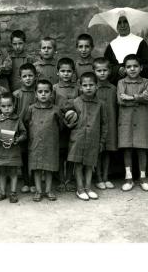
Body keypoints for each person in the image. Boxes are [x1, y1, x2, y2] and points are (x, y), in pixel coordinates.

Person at [103, 15, 148, 173]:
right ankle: (121, 170)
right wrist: (117, 70)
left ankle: (143, 169)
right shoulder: (112, 45)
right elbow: (105, 67)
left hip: (139, 90)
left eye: (125, 22)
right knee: (123, 132)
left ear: (131, 24)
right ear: (115, 25)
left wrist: (135, 72)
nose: (122, 25)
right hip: (121, 92)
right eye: (119, 22)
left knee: (141, 133)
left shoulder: (140, 42)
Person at [117, 54, 148, 192]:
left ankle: (143, 178)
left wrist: (132, 97)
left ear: (141, 68)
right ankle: (129, 178)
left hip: (141, 119)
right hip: (126, 120)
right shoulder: (121, 83)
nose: (132, 69)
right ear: (124, 69)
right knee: (127, 148)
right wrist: (140, 99)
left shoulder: (146, 82)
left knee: (141, 148)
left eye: (135, 66)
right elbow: (121, 100)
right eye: (128, 66)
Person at [67, 72, 107, 201]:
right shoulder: (75, 102)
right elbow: (66, 118)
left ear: (96, 86)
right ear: (80, 87)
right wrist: (69, 122)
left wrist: (101, 142)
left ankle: (88, 187)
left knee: (90, 164)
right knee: (78, 164)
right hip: (78, 138)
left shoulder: (101, 104)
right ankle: (80, 189)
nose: (88, 87)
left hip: (93, 139)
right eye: (85, 85)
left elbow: (104, 124)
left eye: (91, 85)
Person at [23, 79, 62, 202]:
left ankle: (49, 190)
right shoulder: (31, 109)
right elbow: (26, 123)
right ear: (35, 94)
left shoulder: (56, 110)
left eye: (46, 91)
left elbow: (61, 126)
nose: (43, 94)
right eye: (40, 91)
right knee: (37, 168)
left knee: (49, 168)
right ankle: (39, 191)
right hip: (35, 144)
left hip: (51, 144)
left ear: (51, 93)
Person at [0, 93, 27, 203]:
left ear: (14, 106)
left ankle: (13, 193)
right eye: (3, 106)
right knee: (2, 172)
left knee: (13, 172)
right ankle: (2, 192)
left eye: (9, 106)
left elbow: (24, 133)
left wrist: (18, 139)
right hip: (1, 151)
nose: (6, 109)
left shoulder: (17, 119)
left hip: (13, 151)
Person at [53, 57, 79, 192]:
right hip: (59, 126)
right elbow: (52, 108)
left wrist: (75, 120)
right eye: (63, 71)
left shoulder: (77, 88)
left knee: (71, 153)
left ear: (73, 72)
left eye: (69, 71)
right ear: (57, 72)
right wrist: (63, 122)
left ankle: (69, 179)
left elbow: (80, 106)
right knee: (60, 153)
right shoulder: (54, 88)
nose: (66, 74)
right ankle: (60, 179)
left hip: (75, 125)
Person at [93, 57, 118, 190]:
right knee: (98, 151)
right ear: (94, 71)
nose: (102, 73)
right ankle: (98, 178)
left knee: (108, 150)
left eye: (105, 70)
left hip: (110, 123)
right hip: (96, 125)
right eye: (99, 70)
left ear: (109, 71)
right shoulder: (92, 88)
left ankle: (106, 177)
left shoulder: (113, 88)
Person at [13, 63, 37, 193]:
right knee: (23, 155)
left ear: (35, 76)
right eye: (25, 76)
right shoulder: (16, 94)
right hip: (21, 129)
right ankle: (26, 182)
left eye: (30, 76)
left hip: (36, 128)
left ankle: (33, 181)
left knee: (33, 154)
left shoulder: (38, 92)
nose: (28, 78)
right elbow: (13, 112)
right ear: (20, 78)